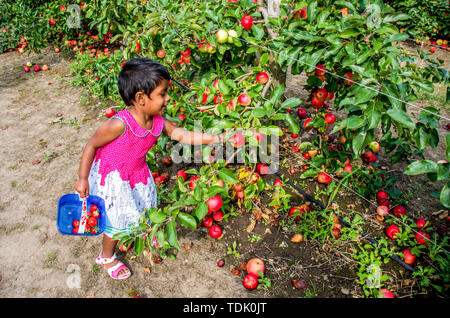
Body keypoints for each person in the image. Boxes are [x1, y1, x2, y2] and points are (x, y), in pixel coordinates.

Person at [74, 57, 225, 279]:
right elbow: (92, 144)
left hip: (137, 173)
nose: (167, 98)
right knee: (116, 219)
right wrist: (82, 178)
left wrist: (215, 138)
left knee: (142, 206)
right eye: (163, 93)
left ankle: (140, 232)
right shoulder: (119, 123)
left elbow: (181, 134)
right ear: (141, 98)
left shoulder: (158, 121)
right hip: (115, 178)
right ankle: (106, 256)